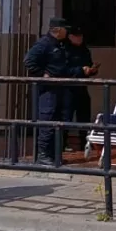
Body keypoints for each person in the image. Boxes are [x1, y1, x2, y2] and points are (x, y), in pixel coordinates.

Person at [23, 17, 75, 164]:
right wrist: (43, 74)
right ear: (58, 30)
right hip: (48, 90)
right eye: (65, 29)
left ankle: (54, 154)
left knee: (60, 121)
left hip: (60, 88)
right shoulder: (44, 44)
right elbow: (28, 61)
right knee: (47, 121)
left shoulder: (61, 44)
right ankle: (43, 155)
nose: (68, 32)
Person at [65, 27, 98, 151]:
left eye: (81, 36)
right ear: (70, 37)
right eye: (77, 36)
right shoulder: (65, 50)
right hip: (68, 88)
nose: (80, 39)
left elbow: (88, 65)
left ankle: (84, 141)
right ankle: (63, 143)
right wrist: (79, 70)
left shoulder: (84, 50)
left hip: (82, 86)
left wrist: (92, 70)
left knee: (84, 115)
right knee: (66, 116)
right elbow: (63, 70)